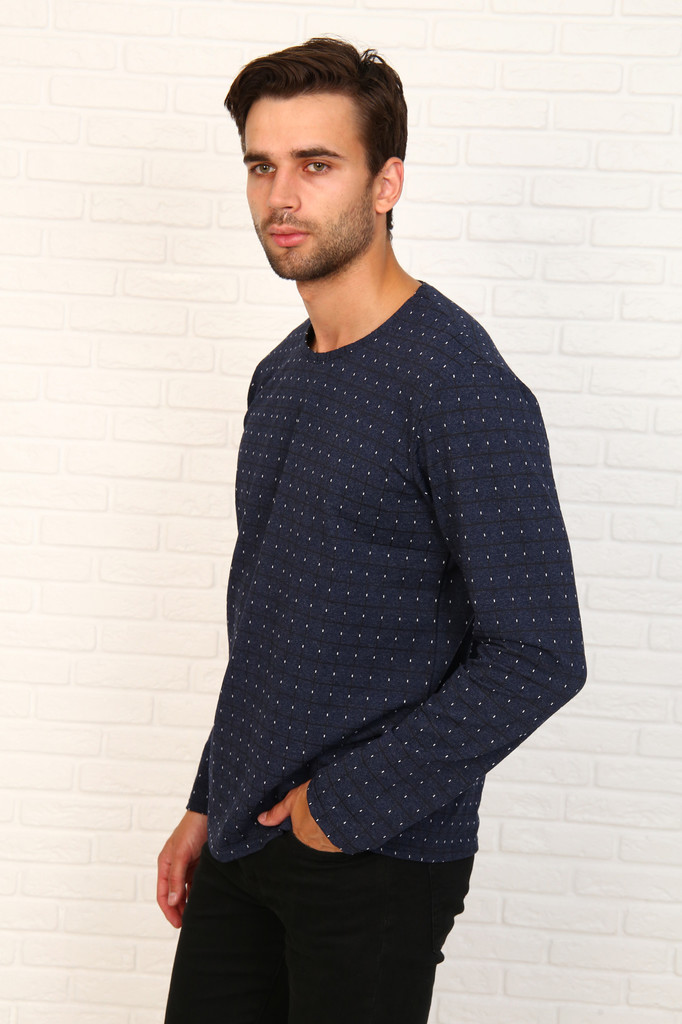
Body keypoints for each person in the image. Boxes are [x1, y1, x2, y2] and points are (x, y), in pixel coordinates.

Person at [157, 37, 586, 1024]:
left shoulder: (458, 385)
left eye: (317, 164)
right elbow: (269, 621)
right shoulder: (282, 374)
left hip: (374, 856)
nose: (280, 197)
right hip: (243, 832)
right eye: (261, 165)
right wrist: (205, 797)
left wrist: (338, 809)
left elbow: (539, 654)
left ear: (386, 182)